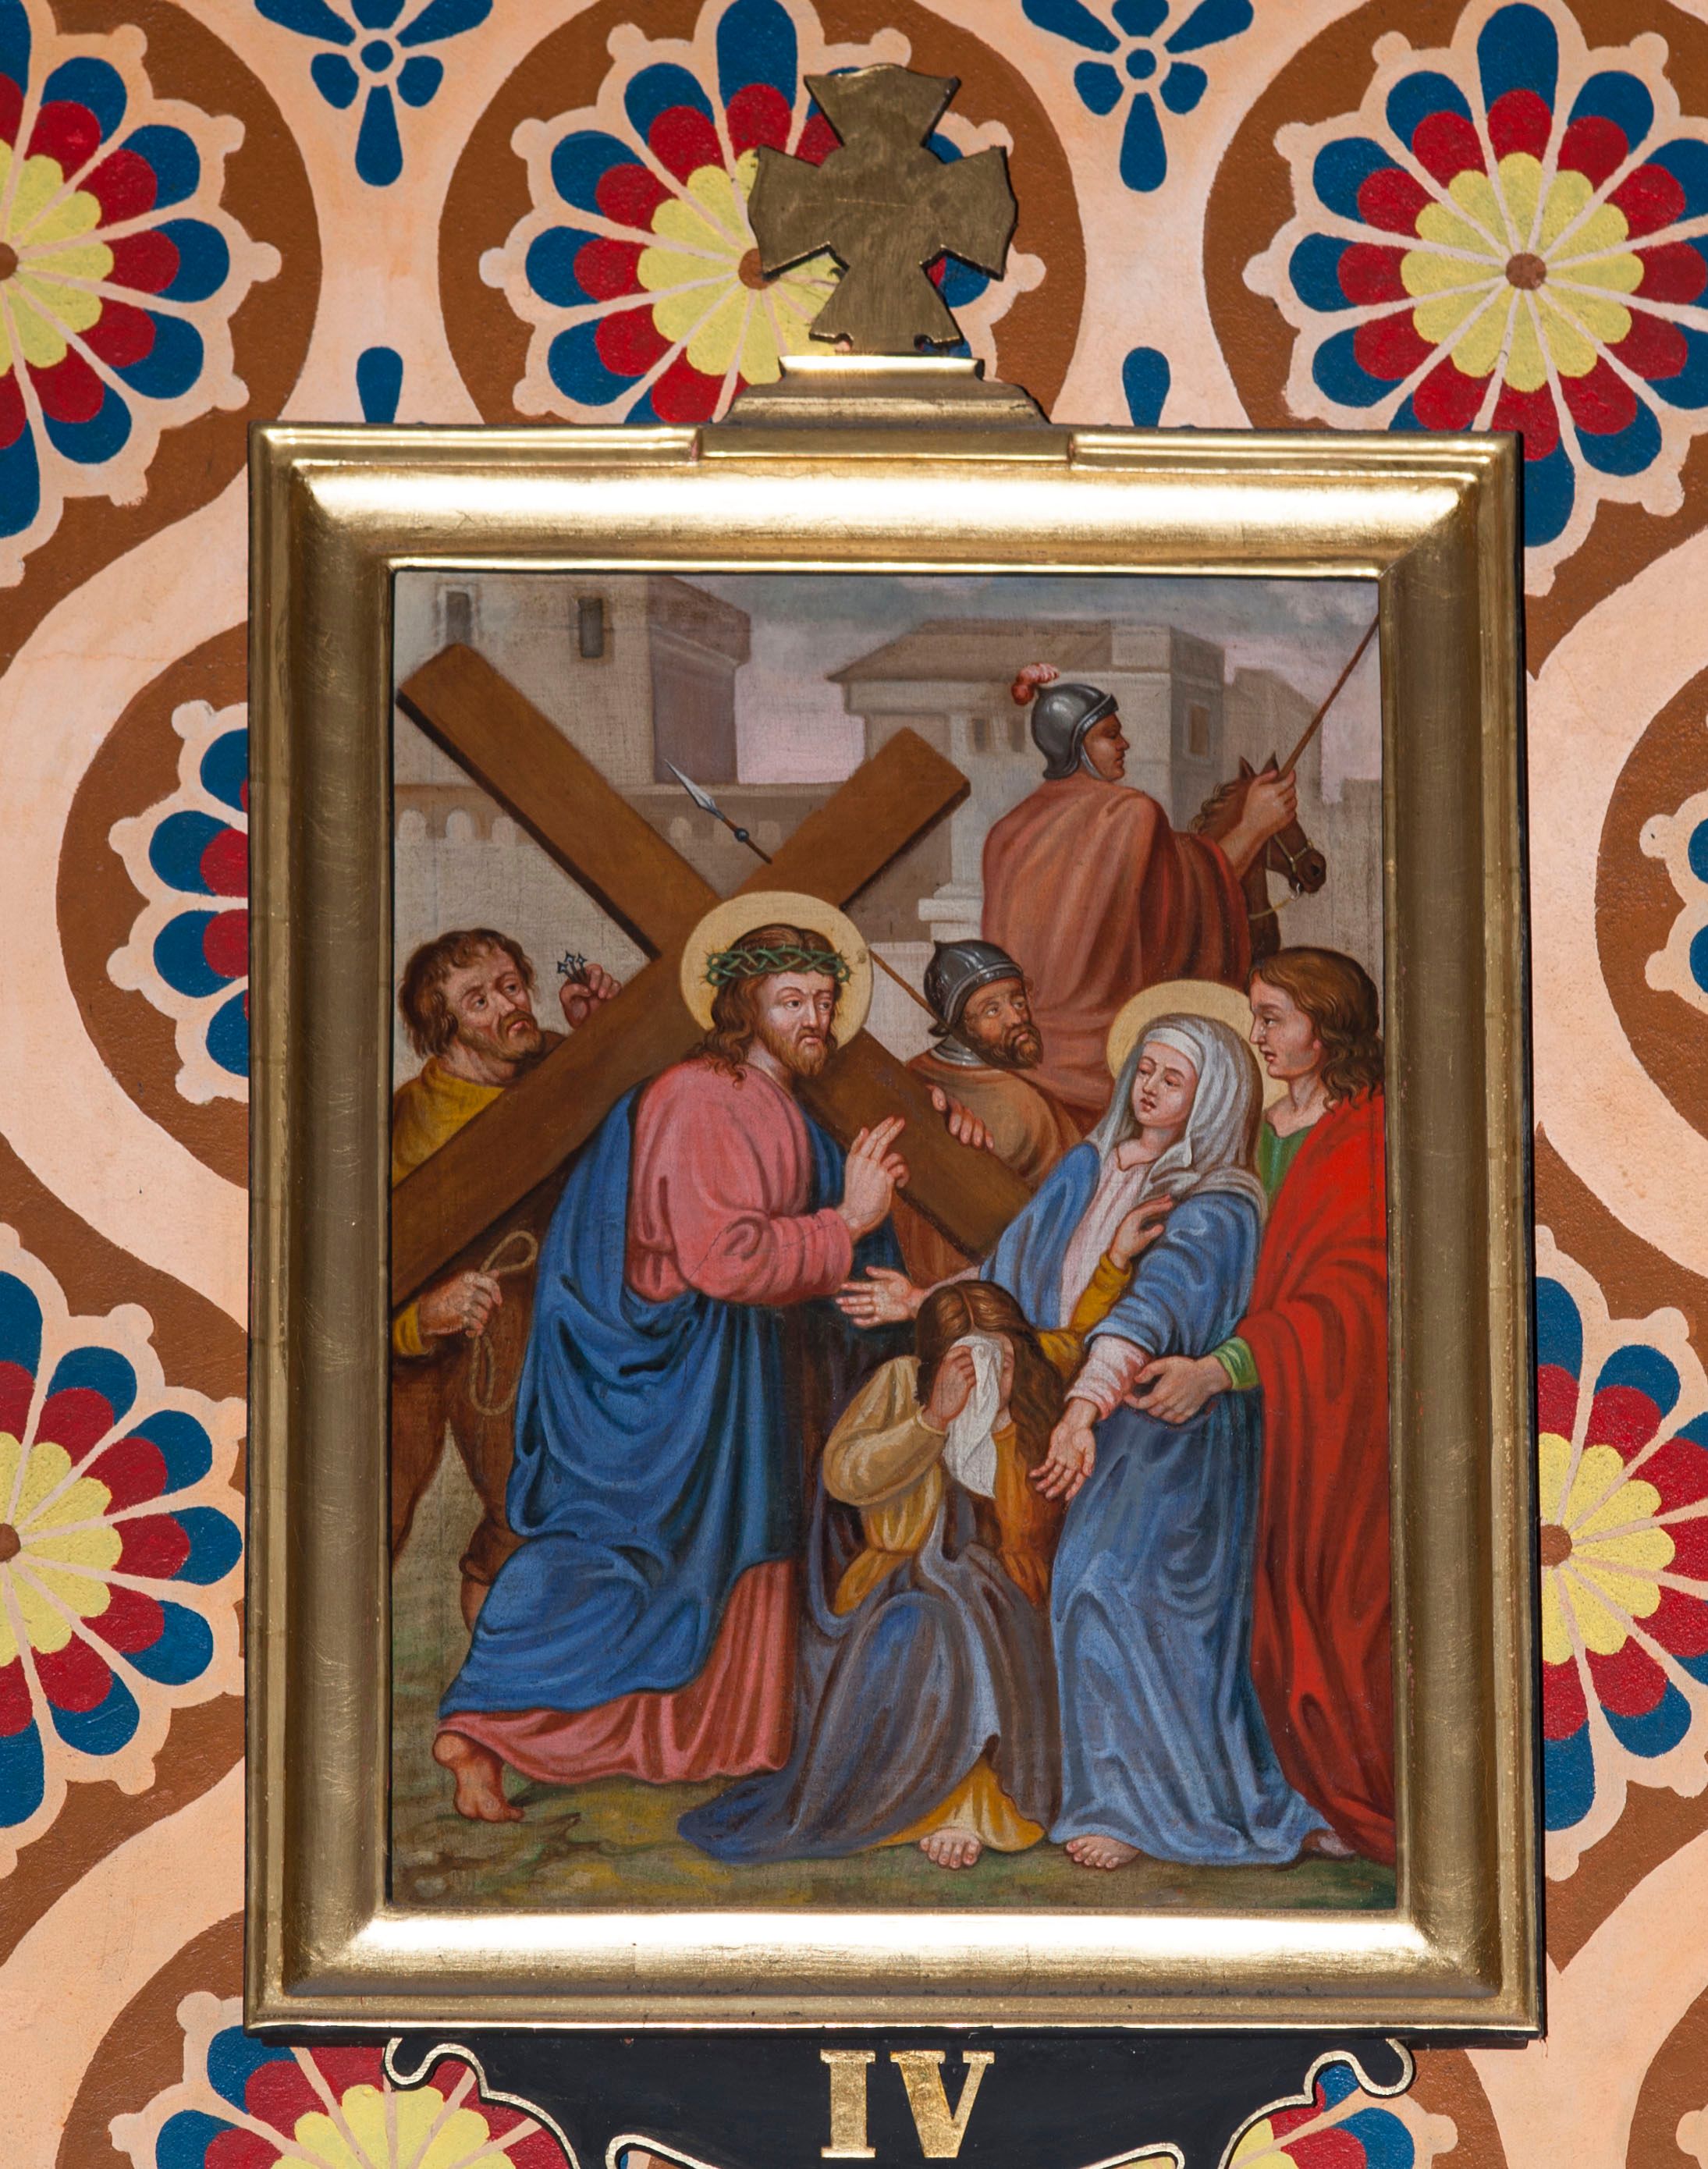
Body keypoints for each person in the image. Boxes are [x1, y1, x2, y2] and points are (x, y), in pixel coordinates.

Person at [430, 900, 977, 1823]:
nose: (813, 1018)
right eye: (790, 1000)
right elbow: (725, 1260)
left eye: (824, 1000)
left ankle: (707, 1740)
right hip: (667, 1384)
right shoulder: (701, 1096)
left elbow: (833, 1186)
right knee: (624, 1563)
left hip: (734, 1377)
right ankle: (480, 1727)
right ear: (742, 1005)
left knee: (732, 1557)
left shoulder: (774, 1099)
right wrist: (846, 1222)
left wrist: (936, 1121)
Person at [680, 1207, 1167, 1873]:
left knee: (983, 1604)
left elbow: (1082, 1340)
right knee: (932, 1622)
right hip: (898, 1577)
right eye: (968, 1361)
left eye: (999, 1358)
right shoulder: (899, 1385)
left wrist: (1111, 1264)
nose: (986, 1375)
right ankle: (935, 1804)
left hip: (1009, 1582)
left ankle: (983, 1799)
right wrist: (931, 1421)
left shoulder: (1033, 1379)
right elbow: (844, 1473)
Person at [1132, 950, 1393, 1865]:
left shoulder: (1369, 1133)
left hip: (1329, 1411)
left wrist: (1225, 1365)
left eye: (1273, 1016)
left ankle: (1342, 1791)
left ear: (1325, 1025)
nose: (1257, 1034)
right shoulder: (1253, 1129)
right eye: (1254, 1014)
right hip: (1238, 1414)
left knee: (1332, 1599)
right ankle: (1238, 1791)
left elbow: (1352, 1298)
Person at [390, 928, 619, 1628]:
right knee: (387, 1510)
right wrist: (417, 1319)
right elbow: (350, 1272)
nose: (508, 1007)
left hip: (550, 1322)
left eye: (511, 986)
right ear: (446, 1027)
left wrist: (600, 1035)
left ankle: (510, 1681)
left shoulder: (552, 1061)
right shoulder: (414, 1124)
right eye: (478, 1000)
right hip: (449, 1341)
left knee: (540, 1515)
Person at [981, 665, 1299, 1126]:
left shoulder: (1005, 831)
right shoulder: (1131, 815)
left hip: (1020, 1057)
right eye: (1110, 735)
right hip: (1100, 1063)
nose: (1124, 744)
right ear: (1076, 746)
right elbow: (1189, 905)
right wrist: (1253, 827)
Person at [895, 939, 1083, 1285]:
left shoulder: (1029, 1091)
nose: (1016, 1018)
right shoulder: (912, 1084)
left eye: (1018, 1001)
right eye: (992, 1010)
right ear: (956, 1024)